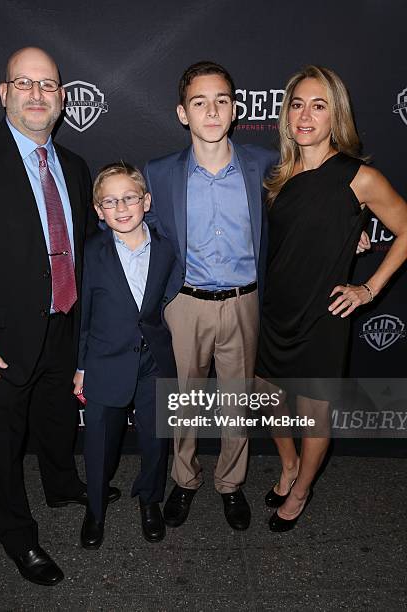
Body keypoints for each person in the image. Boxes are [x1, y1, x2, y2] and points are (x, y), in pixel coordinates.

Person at [0, 47, 120, 586]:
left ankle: (61, 485)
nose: (37, 95)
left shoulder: (76, 167)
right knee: (3, 447)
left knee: (57, 421)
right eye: (25, 84)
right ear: (4, 93)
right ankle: (18, 535)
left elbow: (86, 250)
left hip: (63, 327)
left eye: (48, 86)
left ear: (61, 98)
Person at [256, 65, 407, 532]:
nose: (305, 115)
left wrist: (369, 288)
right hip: (278, 306)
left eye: (318, 105)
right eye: (297, 104)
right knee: (267, 399)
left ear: (335, 114)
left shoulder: (358, 176)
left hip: (324, 313)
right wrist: (351, 235)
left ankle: (301, 491)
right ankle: (288, 467)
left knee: (314, 409)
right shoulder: (279, 172)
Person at [144, 61, 278, 531]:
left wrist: (351, 234)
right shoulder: (158, 174)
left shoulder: (264, 164)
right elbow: (137, 232)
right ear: (184, 113)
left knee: (236, 401)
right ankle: (184, 480)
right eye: (199, 102)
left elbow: (302, 214)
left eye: (221, 99)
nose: (212, 110)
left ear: (235, 108)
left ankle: (230, 483)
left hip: (245, 302)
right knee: (182, 401)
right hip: (184, 305)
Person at [73, 162, 178, 548]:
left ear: (145, 201)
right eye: (110, 201)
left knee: (155, 438)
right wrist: (81, 366)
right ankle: (95, 508)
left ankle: (150, 500)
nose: (121, 208)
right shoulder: (91, 252)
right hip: (104, 362)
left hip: (154, 362)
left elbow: (171, 291)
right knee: (99, 441)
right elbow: (83, 316)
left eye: (129, 198)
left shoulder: (167, 249)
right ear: (98, 210)